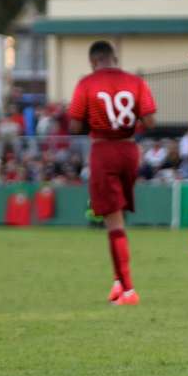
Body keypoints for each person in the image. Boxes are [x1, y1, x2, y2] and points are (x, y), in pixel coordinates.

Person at [68, 40, 157, 306]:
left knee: (113, 222)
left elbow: (73, 125)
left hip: (103, 151)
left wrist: (94, 122)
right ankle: (118, 281)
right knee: (117, 217)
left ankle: (128, 290)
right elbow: (150, 121)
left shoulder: (86, 84)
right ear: (114, 58)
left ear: (93, 61)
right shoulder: (136, 82)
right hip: (130, 151)